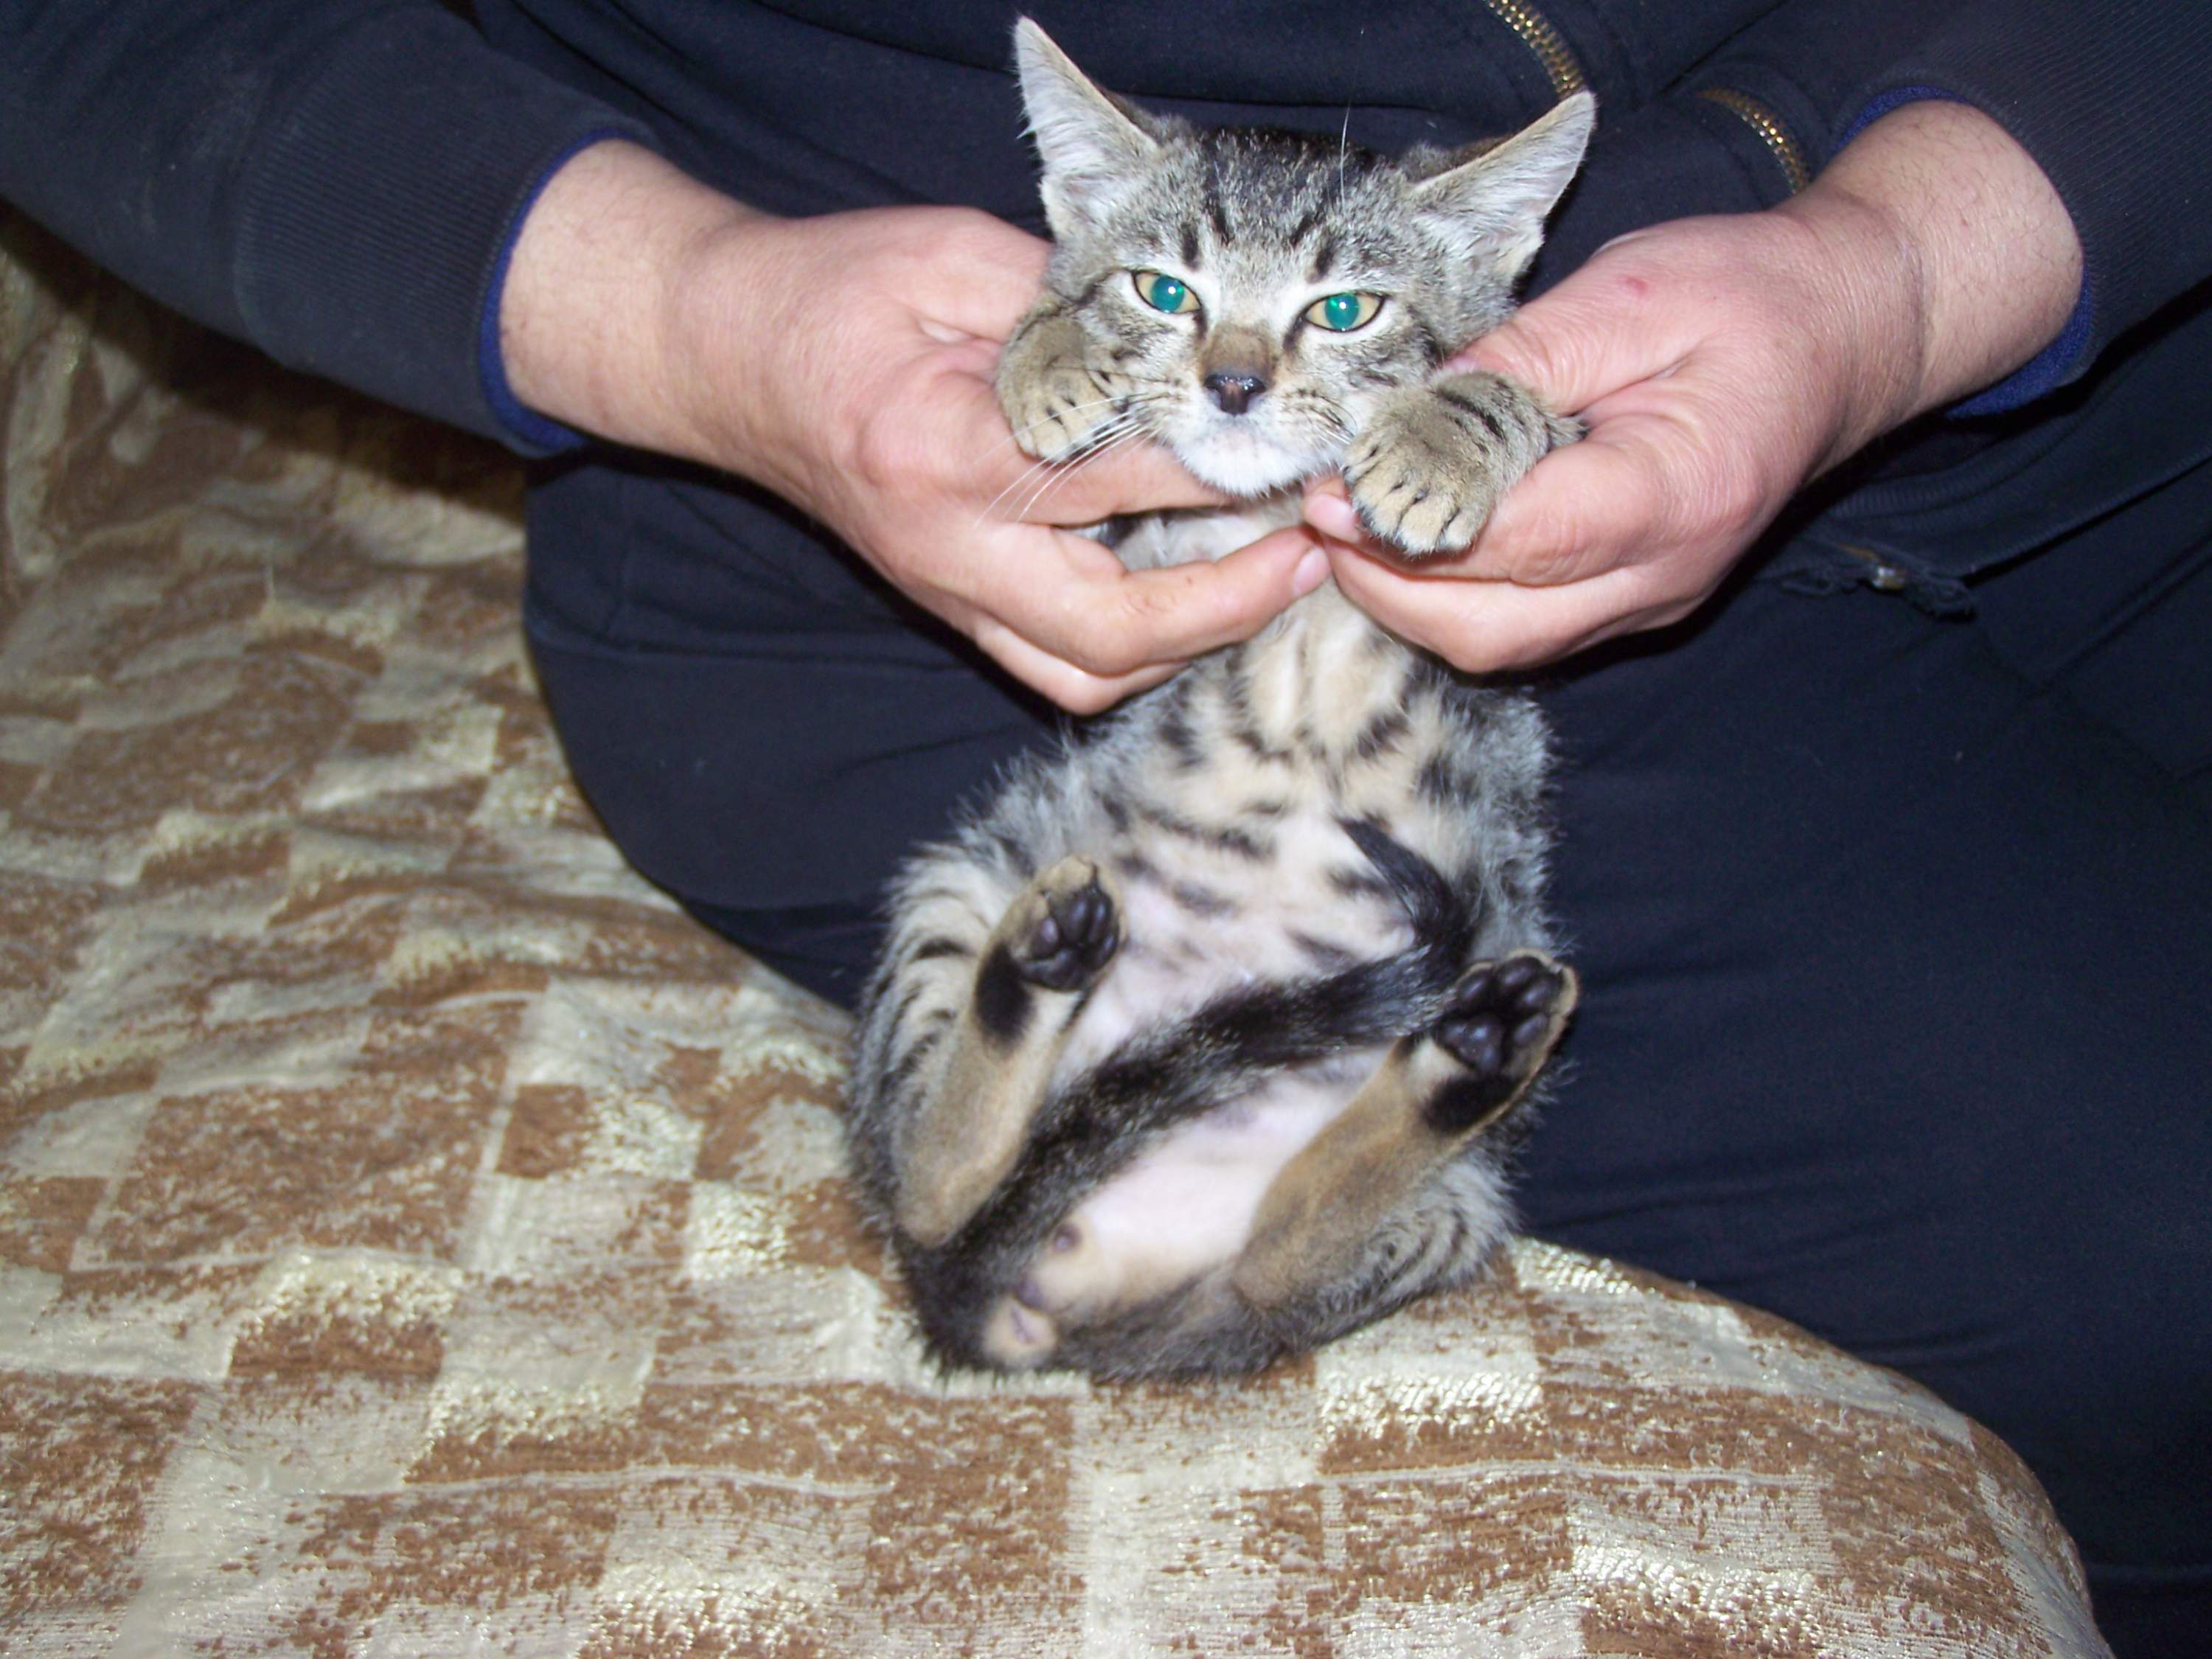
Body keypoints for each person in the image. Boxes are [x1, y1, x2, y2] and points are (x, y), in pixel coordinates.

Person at [4, 4, 2206, 1647]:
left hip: (1988, 254)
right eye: (1177, 309)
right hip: (897, 566)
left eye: (1299, 326)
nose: (1237, 371)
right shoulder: (1114, 340)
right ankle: (1242, 1159)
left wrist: (1898, 275)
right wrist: (694, 314)